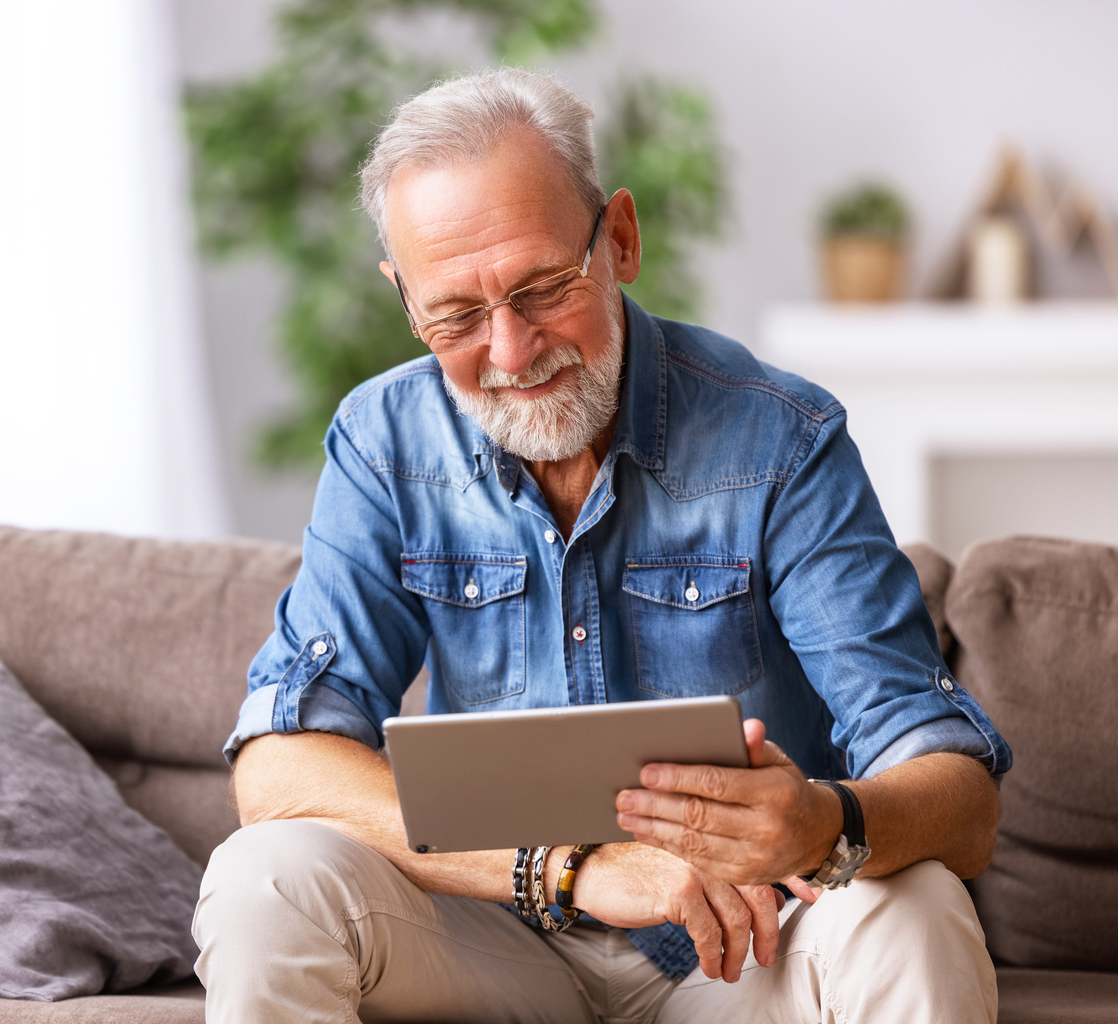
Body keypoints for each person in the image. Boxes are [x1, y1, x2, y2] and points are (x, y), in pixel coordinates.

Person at [192, 68, 1011, 1024]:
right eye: (454, 314)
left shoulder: (780, 440)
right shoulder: (384, 443)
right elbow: (279, 768)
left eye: (541, 289)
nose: (509, 351)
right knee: (267, 877)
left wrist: (826, 823)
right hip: (495, 943)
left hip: (745, 954)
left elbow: (961, 798)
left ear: (618, 239)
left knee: (916, 907)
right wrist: (577, 869)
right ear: (402, 297)